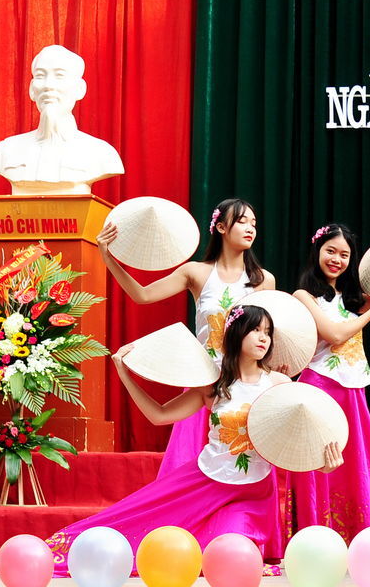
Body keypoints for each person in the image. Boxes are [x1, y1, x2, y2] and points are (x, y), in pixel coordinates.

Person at [45, 305, 338, 575]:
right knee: (139, 518)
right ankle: (68, 551)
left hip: (253, 492)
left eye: (268, 332)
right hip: (206, 481)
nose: (264, 338)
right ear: (237, 333)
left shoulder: (279, 385)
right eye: (256, 330)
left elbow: (295, 442)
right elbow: (159, 415)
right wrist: (125, 374)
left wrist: (322, 464)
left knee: (225, 553)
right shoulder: (213, 385)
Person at [96, 198, 277, 479]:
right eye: (242, 221)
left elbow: (269, 330)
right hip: (204, 377)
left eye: (254, 223)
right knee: (187, 467)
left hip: (245, 382)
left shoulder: (264, 280)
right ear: (220, 227)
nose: (250, 228)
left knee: (242, 466)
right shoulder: (195, 272)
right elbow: (142, 295)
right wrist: (108, 257)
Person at [291, 224, 370, 549]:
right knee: (320, 462)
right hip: (319, 387)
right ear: (317, 251)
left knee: (354, 461)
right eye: (330, 251)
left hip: (351, 389)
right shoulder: (304, 296)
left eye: (344, 254)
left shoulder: (349, 298)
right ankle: (318, 539)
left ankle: (356, 535)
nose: (336, 259)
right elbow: (334, 335)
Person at [0, 45, 124, 194]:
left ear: (80, 89)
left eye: (59, 76)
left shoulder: (101, 153)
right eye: (40, 76)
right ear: (31, 89)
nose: (48, 86)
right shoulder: (6, 150)